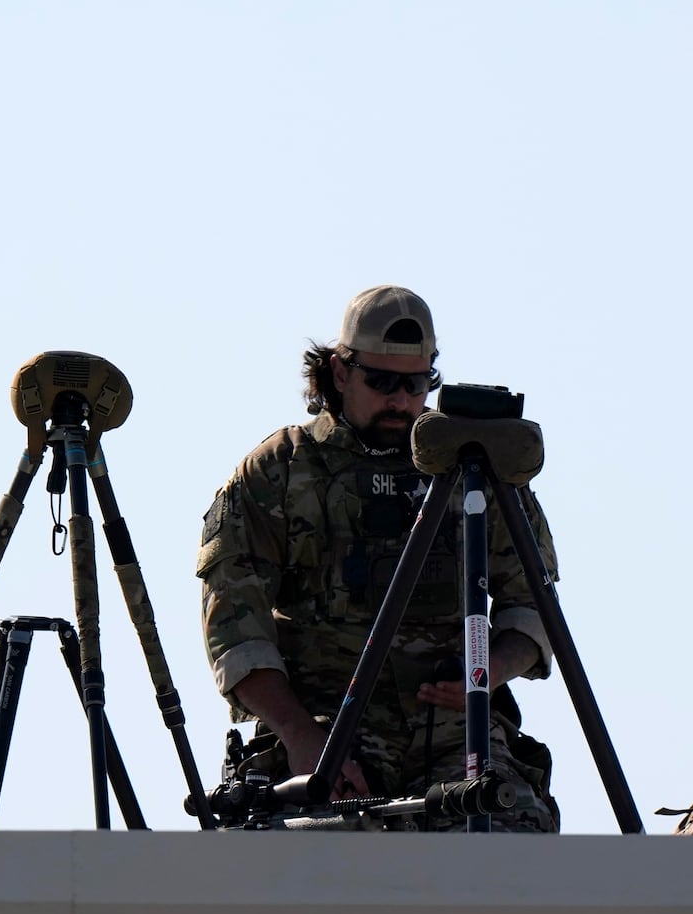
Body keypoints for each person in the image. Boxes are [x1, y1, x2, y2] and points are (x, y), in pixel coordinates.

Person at [195, 285, 559, 831]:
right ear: (340, 372)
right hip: (325, 738)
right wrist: (300, 737)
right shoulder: (278, 473)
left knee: (506, 853)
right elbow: (236, 634)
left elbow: (534, 605)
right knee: (307, 866)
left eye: (414, 384)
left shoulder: (475, 468)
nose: (400, 400)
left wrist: (486, 675)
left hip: (460, 738)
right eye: (381, 382)